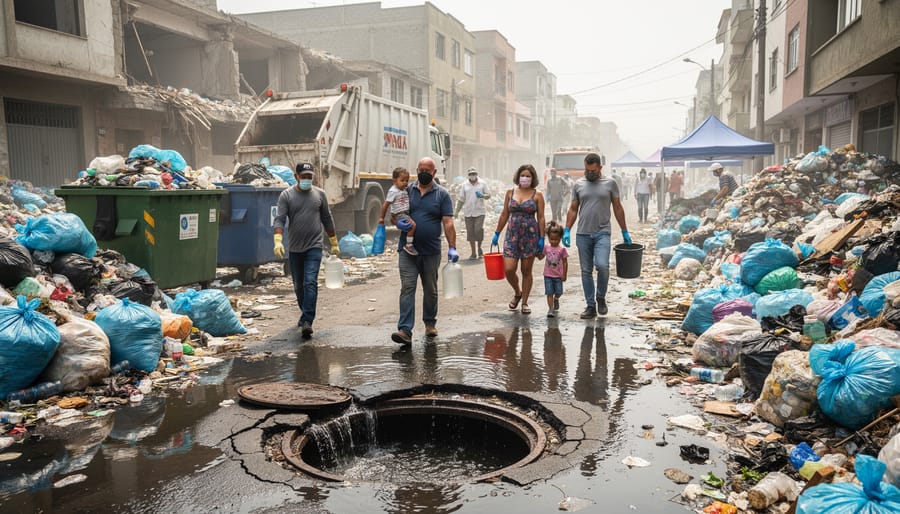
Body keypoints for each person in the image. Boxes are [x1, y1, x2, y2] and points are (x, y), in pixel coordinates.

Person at [390, 157, 458, 346]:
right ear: (416, 170)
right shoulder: (406, 191)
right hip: (407, 250)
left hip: (431, 251)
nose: (424, 173)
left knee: (430, 289)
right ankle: (404, 330)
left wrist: (453, 246)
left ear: (434, 173)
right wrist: (397, 223)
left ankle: (430, 323)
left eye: (428, 170)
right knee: (408, 287)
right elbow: (393, 216)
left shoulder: (441, 194)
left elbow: (448, 222)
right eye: (421, 170)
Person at [273, 162, 339, 338]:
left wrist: (334, 241)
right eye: (304, 177)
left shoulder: (320, 195)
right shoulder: (286, 195)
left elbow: (327, 218)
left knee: (310, 281)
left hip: (314, 246)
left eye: (310, 177)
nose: (307, 180)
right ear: (296, 177)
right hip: (295, 248)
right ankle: (305, 314)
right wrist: (278, 240)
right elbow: (280, 219)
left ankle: (308, 320)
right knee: (298, 286)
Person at [563, 153, 631, 318]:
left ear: (600, 167)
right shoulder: (578, 184)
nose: (589, 173)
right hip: (583, 234)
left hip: (602, 233)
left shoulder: (610, 184)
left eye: (593, 170)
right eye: (587, 170)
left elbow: (617, 207)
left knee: (602, 266)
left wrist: (624, 230)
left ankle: (600, 297)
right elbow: (573, 208)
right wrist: (567, 229)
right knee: (586, 270)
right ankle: (590, 306)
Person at [492, 164, 546, 315]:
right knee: (509, 269)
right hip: (512, 236)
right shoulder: (510, 192)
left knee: (526, 270)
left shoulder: (538, 195)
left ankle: (525, 302)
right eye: (523, 175)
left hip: (530, 236)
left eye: (528, 176)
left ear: (533, 178)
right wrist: (497, 233)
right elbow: (504, 214)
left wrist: (542, 238)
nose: (525, 178)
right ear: (518, 176)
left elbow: (541, 218)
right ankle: (517, 292)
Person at [454, 166, 491, 259]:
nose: (472, 176)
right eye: (471, 174)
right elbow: (461, 199)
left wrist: (483, 195)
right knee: (470, 233)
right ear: (468, 175)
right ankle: (473, 252)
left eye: (474, 174)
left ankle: (479, 247)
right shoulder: (465, 185)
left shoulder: (482, 184)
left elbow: (488, 195)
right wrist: (456, 211)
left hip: (480, 211)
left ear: (477, 174)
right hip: (468, 212)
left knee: (478, 230)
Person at [379, 167, 417, 255]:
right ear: (394, 181)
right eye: (402, 180)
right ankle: (409, 245)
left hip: (405, 212)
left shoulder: (404, 189)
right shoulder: (393, 191)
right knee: (413, 225)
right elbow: (386, 204)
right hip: (400, 213)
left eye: (406, 180)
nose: (405, 183)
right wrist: (382, 218)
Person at [542, 221, 568, 318]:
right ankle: (550, 309)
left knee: (559, 292)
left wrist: (564, 274)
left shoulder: (562, 250)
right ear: (548, 238)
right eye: (551, 239)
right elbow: (541, 256)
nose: (553, 241)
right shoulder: (546, 248)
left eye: (556, 239)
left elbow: (565, 262)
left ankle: (556, 299)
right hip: (547, 275)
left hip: (558, 276)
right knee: (549, 293)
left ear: (560, 238)